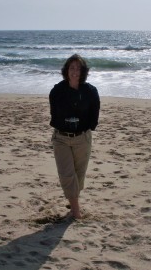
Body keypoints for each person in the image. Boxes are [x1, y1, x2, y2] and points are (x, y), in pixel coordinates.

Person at [49, 54, 100, 219]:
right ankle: (77, 212)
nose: (75, 71)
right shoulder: (57, 91)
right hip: (61, 138)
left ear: (83, 71)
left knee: (79, 175)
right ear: (66, 70)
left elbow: (94, 116)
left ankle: (73, 205)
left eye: (78, 68)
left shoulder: (91, 91)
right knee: (67, 174)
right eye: (72, 68)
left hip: (82, 138)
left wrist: (84, 127)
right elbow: (54, 115)